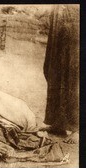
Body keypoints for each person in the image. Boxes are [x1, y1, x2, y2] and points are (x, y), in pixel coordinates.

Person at [43, 5, 79, 144]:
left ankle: (78, 128)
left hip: (76, 14)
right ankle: (59, 123)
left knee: (75, 71)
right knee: (53, 68)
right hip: (59, 13)